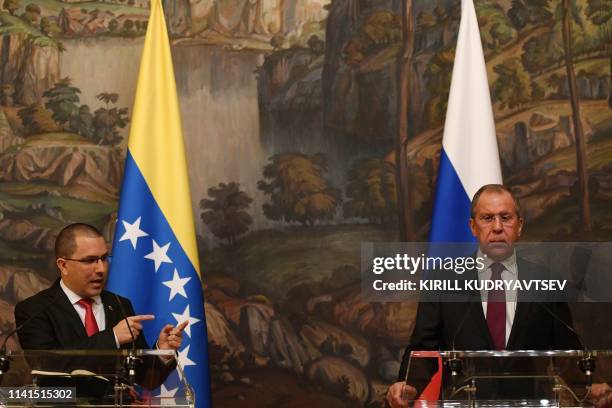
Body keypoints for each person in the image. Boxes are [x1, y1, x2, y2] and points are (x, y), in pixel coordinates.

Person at [385, 184, 611, 407]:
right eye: (487, 218)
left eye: (506, 217)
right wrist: (409, 385)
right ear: (473, 227)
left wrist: (588, 385)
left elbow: (567, 352)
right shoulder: (443, 279)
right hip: (463, 403)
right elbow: (423, 348)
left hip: (530, 403)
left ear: (519, 226)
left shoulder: (546, 281)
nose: (497, 227)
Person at [14, 223, 187, 387]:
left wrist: (162, 352)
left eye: (104, 258)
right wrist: (112, 338)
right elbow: (46, 366)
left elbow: (146, 380)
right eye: (89, 260)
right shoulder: (34, 310)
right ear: (63, 265)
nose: (101, 269)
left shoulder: (119, 304)